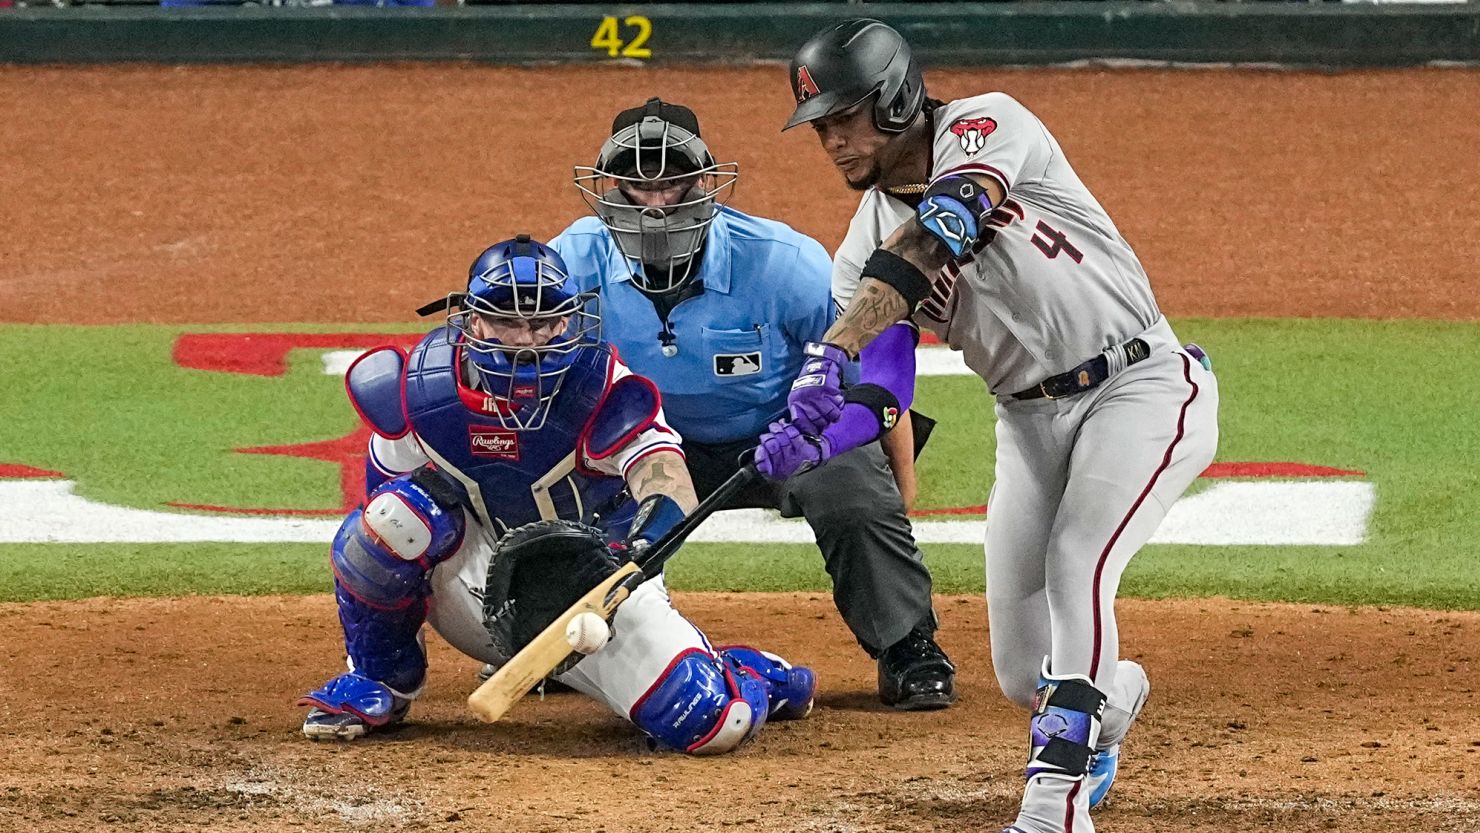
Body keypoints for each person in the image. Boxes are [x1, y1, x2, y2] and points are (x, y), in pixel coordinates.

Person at [768, 19, 1220, 833]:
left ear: (899, 96)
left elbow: (944, 227)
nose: (832, 141)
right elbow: (887, 388)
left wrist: (829, 348)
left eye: (847, 118)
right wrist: (816, 436)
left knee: (1078, 557)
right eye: (821, 127)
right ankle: (1107, 702)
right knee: (1021, 672)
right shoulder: (860, 243)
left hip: (1142, 386)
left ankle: (1055, 808)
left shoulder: (988, 123)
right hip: (1028, 422)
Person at [298, 235, 815, 754]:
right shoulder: (421, 389)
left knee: (710, 725)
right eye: (508, 320)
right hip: (474, 591)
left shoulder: (605, 389)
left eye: (545, 321)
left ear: (569, 320)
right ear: (473, 320)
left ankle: (747, 673)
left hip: (595, 600)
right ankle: (379, 681)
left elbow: (666, 477)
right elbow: (377, 512)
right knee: (394, 518)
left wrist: (636, 552)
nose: (528, 339)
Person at [551, 97, 958, 711]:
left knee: (851, 483)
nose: (658, 202)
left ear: (705, 182)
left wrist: (895, 478)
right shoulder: (569, 265)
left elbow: (869, 362)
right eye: (640, 184)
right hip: (645, 445)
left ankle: (907, 645)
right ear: (611, 188)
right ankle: (566, 643)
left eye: (674, 182)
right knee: (564, 486)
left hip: (782, 437)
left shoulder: (782, 261)